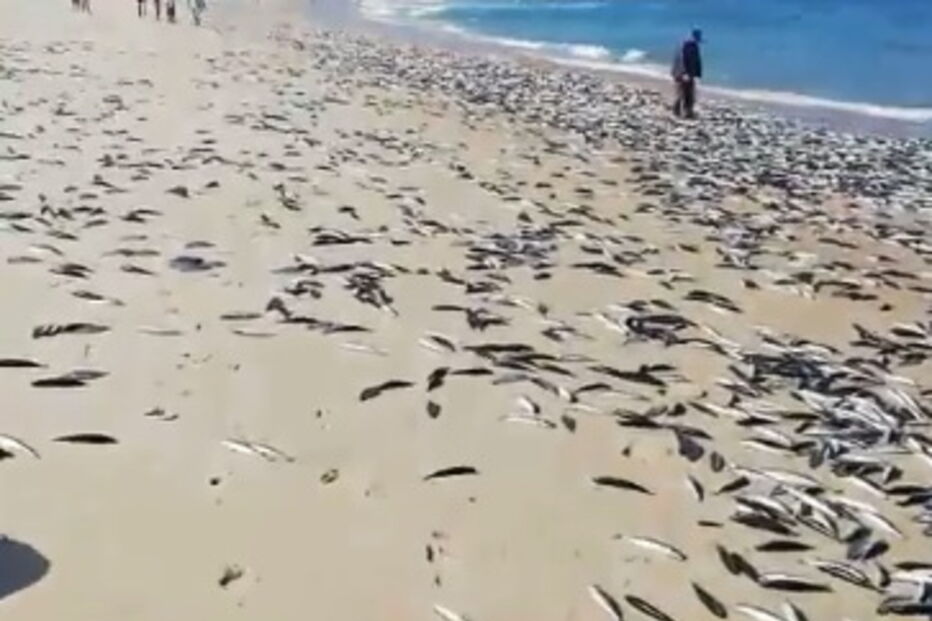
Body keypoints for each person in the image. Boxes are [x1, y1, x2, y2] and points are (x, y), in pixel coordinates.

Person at [671, 29, 703, 119]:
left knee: (682, 92)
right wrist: (685, 73)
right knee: (687, 93)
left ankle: (679, 111)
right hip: (684, 73)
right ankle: (686, 112)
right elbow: (683, 59)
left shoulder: (684, 43)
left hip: (680, 72)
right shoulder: (690, 45)